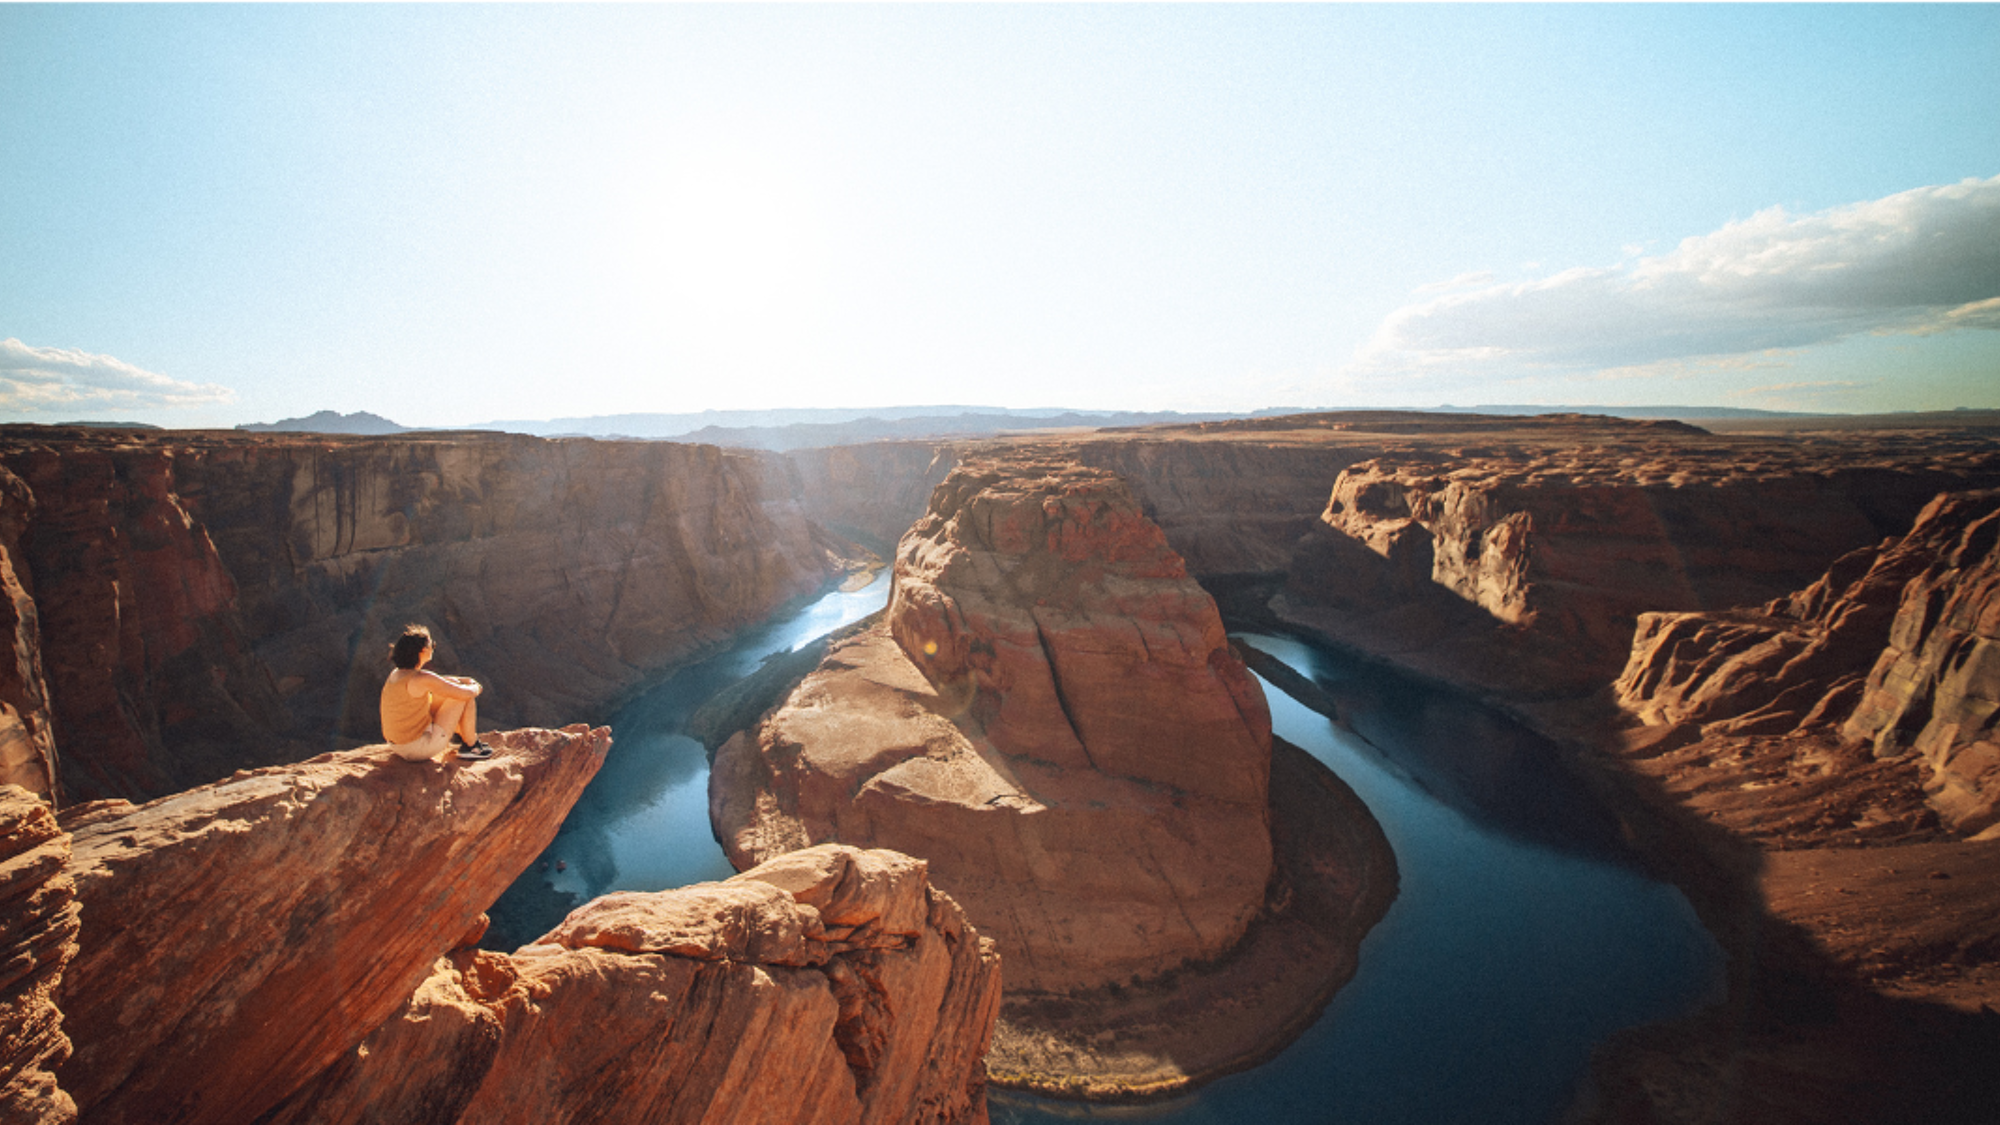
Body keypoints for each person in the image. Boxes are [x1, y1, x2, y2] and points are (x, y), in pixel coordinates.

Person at [381, 624, 493, 762]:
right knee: (462, 697)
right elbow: (465, 693)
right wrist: (476, 686)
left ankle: (467, 739)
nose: (434, 647)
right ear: (422, 651)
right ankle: (471, 746)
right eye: (432, 645)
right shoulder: (421, 678)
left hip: (398, 745)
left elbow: (439, 682)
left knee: (454, 687)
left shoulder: (397, 674)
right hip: (417, 748)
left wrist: (462, 680)